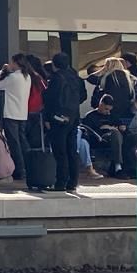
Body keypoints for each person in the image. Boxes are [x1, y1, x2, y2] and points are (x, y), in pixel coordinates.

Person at [44, 52, 87, 191]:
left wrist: (48, 117)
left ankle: (60, 182)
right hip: (73, 117)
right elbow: (83, 96)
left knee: (60, 152)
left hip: (58, 118)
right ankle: (72, 181)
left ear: (54, 65)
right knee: (71, 150)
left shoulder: (56, 79)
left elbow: (50, 100)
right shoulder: (75, 77)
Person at [0, 54, 32, 183]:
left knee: (14, 143)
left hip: (11, 113)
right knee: (22, 141)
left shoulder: (13, 77)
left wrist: (2, 70)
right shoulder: (27, 77)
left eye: (12, 62)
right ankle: (28, 167)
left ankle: (19, 170)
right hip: (22, 113)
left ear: (16, 63)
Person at [82, 95, 136, 178]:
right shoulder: (90, 116)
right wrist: (106, 128)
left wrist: (123, 127)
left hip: (118, 137)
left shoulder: (112, 115)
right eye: (106, 109)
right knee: (115, 134)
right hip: (100, 139)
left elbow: (120, 124)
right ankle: (118, 167)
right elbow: (88, 131)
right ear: (101, 105)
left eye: (110, 110)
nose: (108, 112)